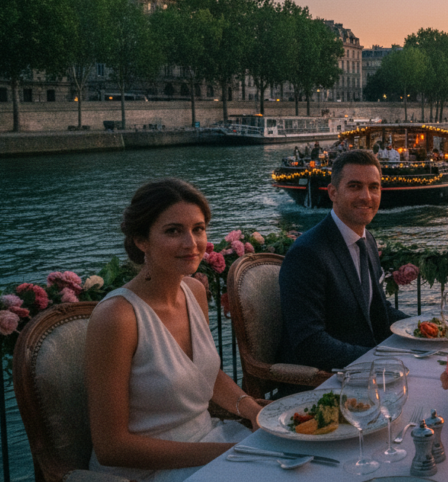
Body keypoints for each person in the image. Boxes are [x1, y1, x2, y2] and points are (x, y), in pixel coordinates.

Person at [86, 179, 262, 482]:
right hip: (148, 470)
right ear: (142, 240)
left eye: (198, 229)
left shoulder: (193, 291)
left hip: (210, 442)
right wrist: (231, 452)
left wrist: (254, 411)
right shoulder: (117, 317)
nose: (191, 244)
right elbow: (111, 448)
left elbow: (204, 375)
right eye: (173, 231)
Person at [278, 150, 409, 372]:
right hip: (325, 382)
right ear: (333, 192)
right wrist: (377, 359)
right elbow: (310, 343)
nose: (366, 197)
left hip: (366, 372)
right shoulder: (307, 253)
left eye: (373, 187)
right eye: (354, 186)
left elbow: (379, 310)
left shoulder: (366, 241)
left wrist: (425, 328)